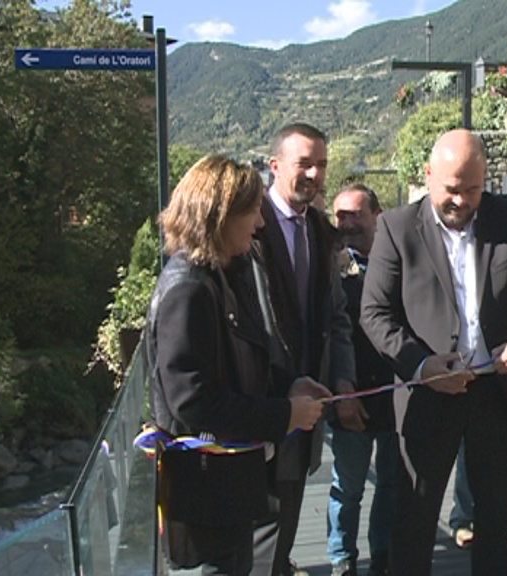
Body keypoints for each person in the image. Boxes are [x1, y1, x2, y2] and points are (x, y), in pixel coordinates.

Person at [360, 128, 507, 575]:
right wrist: (420, 363)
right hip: (428, 393)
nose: (461, 201)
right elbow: (375, 314)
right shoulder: (397, 228)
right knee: (414, 519)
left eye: (473, 190)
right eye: (452, 190)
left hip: (497, 393)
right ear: (428, 175)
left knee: (495, 520)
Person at [147, 155, 329, 575]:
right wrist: (285, 415)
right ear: (220, 215)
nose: (260, 224)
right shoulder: (188, 290)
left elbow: (247, 356)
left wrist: (291, 384)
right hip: (204, 498)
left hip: (227, 491)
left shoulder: (221, 275)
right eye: (252, 213)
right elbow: (193, 402)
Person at [253, 123, 357, 576]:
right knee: (252, 540)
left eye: (322, 165)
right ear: (274, 166)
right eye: (304, 164)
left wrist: (344, 380)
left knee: (285, 529)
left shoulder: (321, 231)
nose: (314, 174)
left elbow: (337, 316)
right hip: (255, 410)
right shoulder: (247, 226)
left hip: (308, 410)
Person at [325, 183, 397, 576]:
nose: (347, 223)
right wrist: (342, 390)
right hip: (350, 392)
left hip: (395, 393)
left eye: (356, 214)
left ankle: (382, 555)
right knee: (347, 487)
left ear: (377, 215)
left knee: (389, 483)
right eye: (341, 216)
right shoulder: (330, 268)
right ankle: (342, 559)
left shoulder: (398, 260)